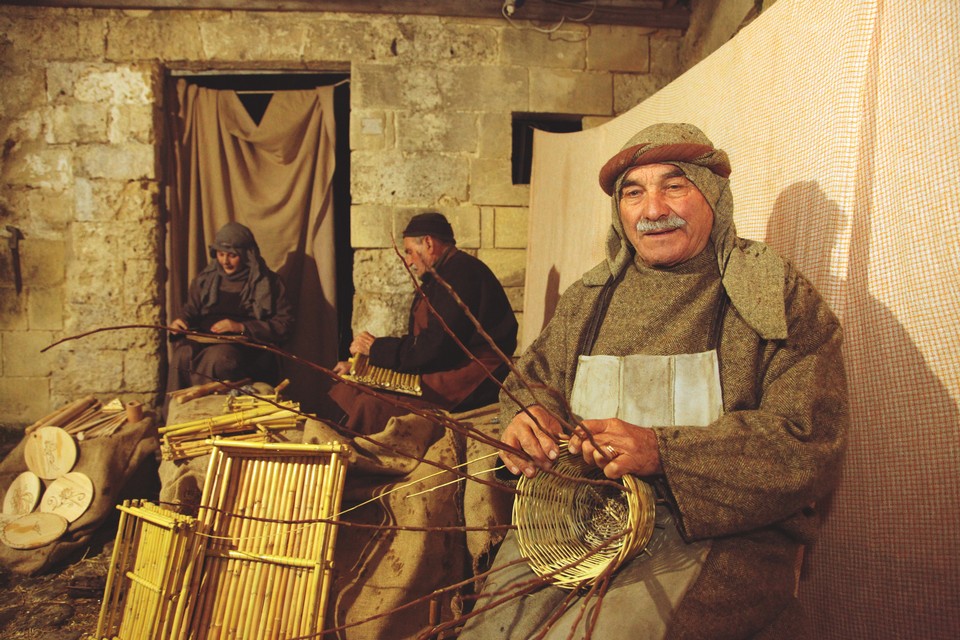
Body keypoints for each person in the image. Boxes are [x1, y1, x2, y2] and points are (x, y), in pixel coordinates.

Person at [459, 123, 848, 638]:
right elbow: (532, 378)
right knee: (489, 630)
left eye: (674, 186)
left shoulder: (770, 296)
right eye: (634, 193)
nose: (652, 210)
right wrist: (526, 414)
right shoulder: (590, 296)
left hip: (719, 536)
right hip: (578, 526)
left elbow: (808, 442)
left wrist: (664, 451)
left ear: (710, 194)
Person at [329, 212, 518, 435]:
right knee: (348, 388)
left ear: (428, 243)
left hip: (472, 376)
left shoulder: (462, 273)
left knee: (370, 406)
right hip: (443, 366)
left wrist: (376, 347)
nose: (408, 261)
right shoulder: (440, 276)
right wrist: (364, 367)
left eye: (409, 251)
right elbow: (421, 344)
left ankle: (351, 460)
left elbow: (437, 347)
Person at [167, 221, 294, 391]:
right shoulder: (206, 279)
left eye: (232, 255)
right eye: (220, 254)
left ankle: (206, 414)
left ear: (247, 254)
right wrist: (181, 322)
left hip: (249, 350)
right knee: (182, 355)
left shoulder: (270, 283)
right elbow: (191, 309)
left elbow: (284, 325)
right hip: (206, 341)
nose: (225, 261)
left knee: (220, 358)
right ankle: (176, 413)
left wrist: (240, 327)